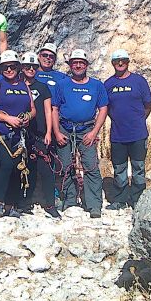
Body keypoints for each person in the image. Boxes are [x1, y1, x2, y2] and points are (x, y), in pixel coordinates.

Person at [52, 49, 108, 218]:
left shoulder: (97, 85)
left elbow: (103, 108)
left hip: (86, 129)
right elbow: (54, 108)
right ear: (70, 65)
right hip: (65, 128)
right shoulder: (62, 85)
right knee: (65, 165)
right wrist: (56, 132)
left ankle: (93, 205)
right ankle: (69, 200)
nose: (78, 65)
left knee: (91, 166)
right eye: (74, 62)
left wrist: (94, 132)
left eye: (81, 62)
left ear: (86, 65)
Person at [0, 51, 36, 218]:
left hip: (19, 135)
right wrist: (7, 118)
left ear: (18, 67)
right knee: (6, 163)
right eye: (5, 67)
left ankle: (10, 204)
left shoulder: (24, 85)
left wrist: (27, 117)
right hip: (1, 134)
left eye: (12, 66)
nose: (9, 70)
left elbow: (33, 109)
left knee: (17, 167)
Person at [103, 49, 151, 210]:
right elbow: (106, 108)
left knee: (138, 168)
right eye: (116, 61)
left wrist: (138, 120)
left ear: (128, 62)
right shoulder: (108, 84)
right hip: (118, 135)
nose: (120, 63)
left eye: (123, 60)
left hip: (137, 134)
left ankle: (138, 199)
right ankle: (120, 200)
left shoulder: (139, 81)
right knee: (119, 168)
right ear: (112, 63)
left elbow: (148, 105)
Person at [21, 52, 62, 219]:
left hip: (39, 133)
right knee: (26, 168)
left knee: (46, 169)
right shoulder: (17, 86)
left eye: (34, 67)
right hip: (23, 133)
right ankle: (24, 202)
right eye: (27, 67)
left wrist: (48, 132)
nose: (31, 69)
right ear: (22, 68)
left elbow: (48, 110)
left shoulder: (42, 87)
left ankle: (50, 204)